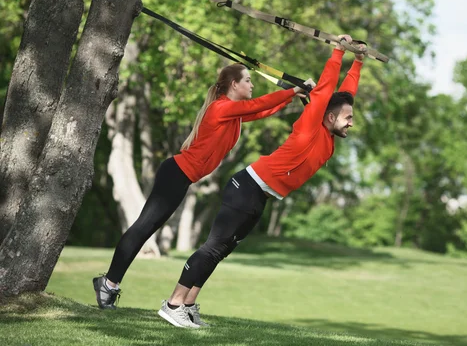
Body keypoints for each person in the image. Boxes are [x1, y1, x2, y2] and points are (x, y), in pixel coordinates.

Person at [158, 35, 365, 328]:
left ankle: (188, 305)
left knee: (221, 251)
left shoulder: (329, 134)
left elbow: (345, 95)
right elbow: (327, 90)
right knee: (213, 246)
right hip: (248, 186)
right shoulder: (310, 124)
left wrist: (358, 60)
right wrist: (338, 51)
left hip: (260, 196)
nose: (351, 122)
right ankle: (173, 303)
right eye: (347, 118)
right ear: (329, 117)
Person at [92, 63, 308, 311]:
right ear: (234, 84)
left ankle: (108, 284)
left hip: (180, 177)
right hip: (175, 174)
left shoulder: (233, 114)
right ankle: (108, 284)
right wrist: (291, 93)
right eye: (248, 80)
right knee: (143, 228)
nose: (252, 85)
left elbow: (261, 111)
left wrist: (293, 96)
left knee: (146, 228)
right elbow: (256, 106)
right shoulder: (221, 108)